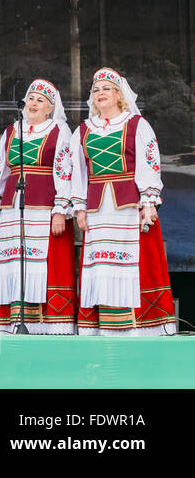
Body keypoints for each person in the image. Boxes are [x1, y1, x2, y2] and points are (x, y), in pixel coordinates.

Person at [71, 68, 176, 335]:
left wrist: (149, 199)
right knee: (101, 264)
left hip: (128, 208)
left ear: (119, 95)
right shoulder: (83, 130)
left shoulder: (137, 124)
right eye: (95, 90)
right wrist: (79, 206)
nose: (100, 94)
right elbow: (78, 171)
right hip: (97, 210)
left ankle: (137, 328)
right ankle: (104, 326)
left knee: (132, 262)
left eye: (106, 89)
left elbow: (149, 163)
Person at [0, 78, 78, 334]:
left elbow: (64, 173)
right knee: (16, 262)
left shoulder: (59, 130)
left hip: (45, 208)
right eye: (31, 98)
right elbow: (1, 171)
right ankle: (15, 322)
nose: (34, 103)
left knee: (43, 263)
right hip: (14, 209)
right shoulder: (12, 130)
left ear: (50, 108)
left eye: (41, 100)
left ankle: (49, 325)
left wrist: (60, 210)